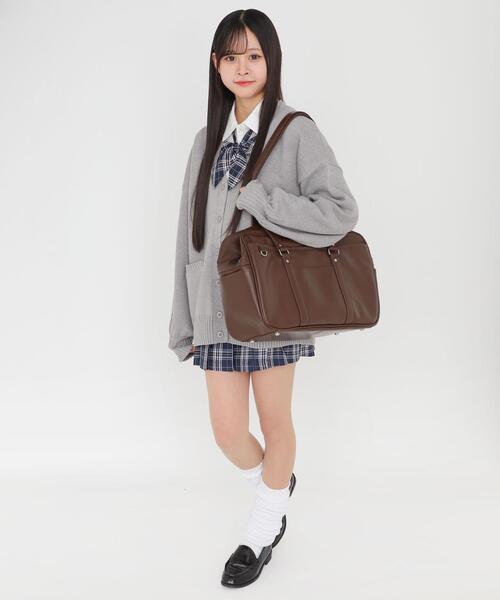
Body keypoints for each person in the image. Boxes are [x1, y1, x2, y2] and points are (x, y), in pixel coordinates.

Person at [168, 8, 359, 588]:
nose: (243, 67)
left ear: (272, 60)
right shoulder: (206, 140)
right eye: (232, 57)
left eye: (254, 55)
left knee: (277, 426)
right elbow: (188, 237)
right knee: (228, 434)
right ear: (216, 64)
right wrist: (184, 322)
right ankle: (276, 486)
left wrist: (263, 200)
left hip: (273, 307)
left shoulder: (295, 131)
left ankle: (260, 532)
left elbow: (340, 211)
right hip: (216, 311)